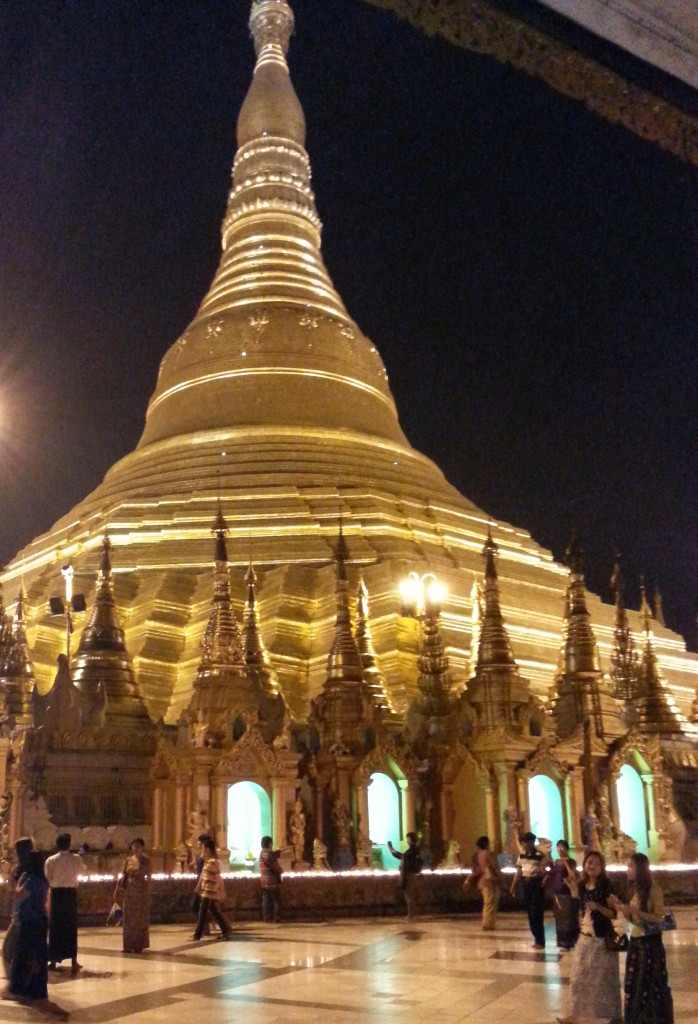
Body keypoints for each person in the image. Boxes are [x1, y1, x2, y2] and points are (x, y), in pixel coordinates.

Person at [556, 850, 622, 1024]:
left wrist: (598, 908)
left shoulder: (607, 886)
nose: (591, 866)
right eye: (588, 863)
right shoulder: (583, 884)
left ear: (602, 867)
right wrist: (573, 891)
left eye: (595, 863)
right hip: (584, 936)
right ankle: (575, 1015)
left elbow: (613, 913)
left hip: (600, 938)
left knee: (602, 980)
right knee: (579, 978)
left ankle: (608, 1016)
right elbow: (581, 905)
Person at [611, 852, 674, 1023]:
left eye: (631, 866)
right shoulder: (635, 889)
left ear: (640, 868)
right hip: (636, 942)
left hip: (650, 944)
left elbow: (660, 918)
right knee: (634, 982)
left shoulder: (653, 889)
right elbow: (635, 920)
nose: (628, 870)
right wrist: (623, 909)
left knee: (649, 982)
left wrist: (635, 912)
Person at [45, 833, 85, 973]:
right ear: (69, 844)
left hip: (57, 895)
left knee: (55, 927)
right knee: (70, 926)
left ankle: (54, 961)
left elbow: (48, 877)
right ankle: (73, 960)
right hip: (70, 895)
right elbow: (81, 873)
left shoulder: (51, 860)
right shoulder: (77, 859)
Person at [510, 831, 550, 948]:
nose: (524, 845)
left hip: (536, 884)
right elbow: (519, 871)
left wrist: (545, 875)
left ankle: (540, 940)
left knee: (537, 912)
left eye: (526, 842)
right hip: (526, 884)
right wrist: (513, 885)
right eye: (523, 843)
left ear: (531, 842)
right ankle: (536, 937)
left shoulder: (540, 855)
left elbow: (548, 868)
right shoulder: (521, 855)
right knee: (529, 911)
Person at [2, 837, 33, 980]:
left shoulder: (26, 871)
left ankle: (15, 982)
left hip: (24, 916)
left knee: (9, 949)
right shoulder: (22, 869)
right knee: (15, 950)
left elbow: (16, 892)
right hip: (24, 915)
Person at [192, 838, 233, 941]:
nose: (202, 851)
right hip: (207, 891)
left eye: (203, 849)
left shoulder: (213, 862)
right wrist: (199, 887)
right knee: (214, 912)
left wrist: (220, 891)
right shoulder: (208, 862)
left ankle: (197, 934)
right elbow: (203, 876)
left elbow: (217, 877)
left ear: (208, 849)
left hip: (209, 892)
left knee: (202, 913)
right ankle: (225, 930)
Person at [116, 838, 151, 954]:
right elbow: (123, 875)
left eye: (138, 846)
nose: (135, 848)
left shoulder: (146, 860)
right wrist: (118, 889)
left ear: (142, 848)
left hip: (141, 891)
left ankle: (138, 945)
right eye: (133, 846)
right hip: (129, 892)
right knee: (128, 918)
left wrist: (147, 889)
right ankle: (128, 944)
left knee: (139, 919)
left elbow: (149, 876)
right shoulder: (127, 860)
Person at [544, 839, 579, 950]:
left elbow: (573, 874)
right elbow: (551, 872)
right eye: (557, 847)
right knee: (559, 918)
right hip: (557, 892)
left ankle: (570, 941)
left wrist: (565, 863)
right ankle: (562, 941)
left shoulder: (571, 861)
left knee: (568, 917)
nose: (559, 850)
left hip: (567, 892)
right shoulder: (556, 861)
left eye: (561, 847)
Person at [469, 836, 504, 931]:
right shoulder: (490, 854)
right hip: (491, 881)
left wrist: (468, 880)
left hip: (481, 882)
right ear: (486, 844)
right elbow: (495, 867)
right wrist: (501, 877)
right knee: (491, 903)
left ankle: (488, 923)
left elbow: (475, 870)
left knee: (487, 903)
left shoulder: (476, 855)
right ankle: (488, 924)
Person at [387, 833, 423, 920]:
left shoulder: (413, 850)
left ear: (411, 839)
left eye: (408, 839)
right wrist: (393, 851)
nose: (407, 841)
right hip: (408, 874)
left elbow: (404, 857)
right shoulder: (413, 850)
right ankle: (411, 913)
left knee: (409, 893)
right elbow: (403, 856)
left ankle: (411, 913)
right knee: (409, 893)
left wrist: (393, 851)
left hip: (408, 874)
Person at [259, 836, 282, 922]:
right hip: (272, 879)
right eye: (272, 843)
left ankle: (266, 917)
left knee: (266, 899)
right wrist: (280, 870)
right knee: (277, 899)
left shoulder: (262, 853)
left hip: (264, 880)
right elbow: (274, 866)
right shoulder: (269, 853)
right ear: (269, 843)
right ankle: (277, 917)